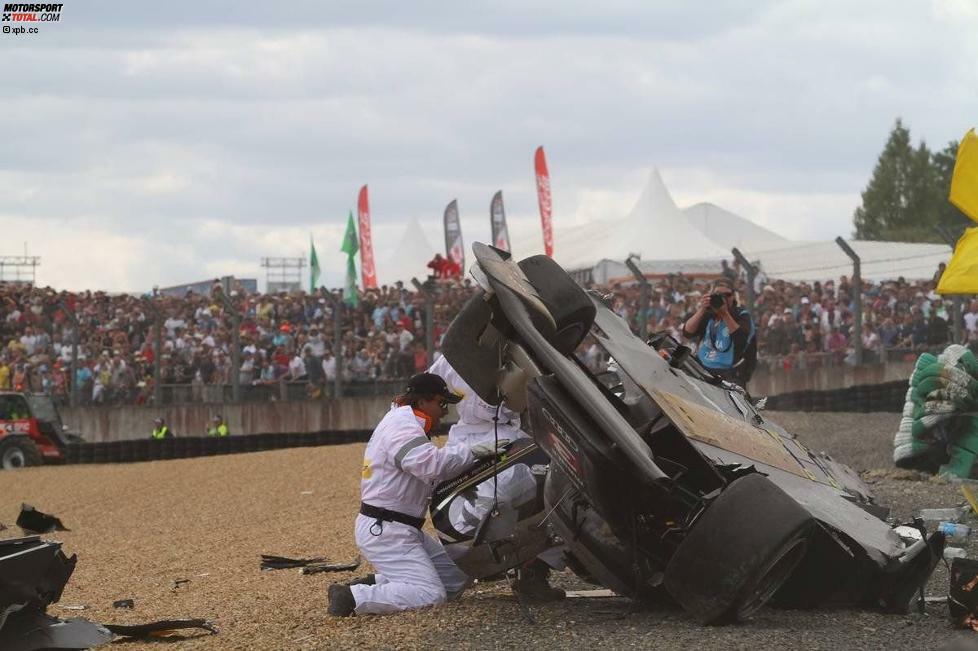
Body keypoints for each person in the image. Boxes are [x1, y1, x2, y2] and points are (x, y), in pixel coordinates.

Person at [328, 372, 487, 617]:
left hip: (398, 526)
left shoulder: (405, 422)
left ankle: (377, 583)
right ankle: (352, 597)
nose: (444, 412)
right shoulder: (402, 425)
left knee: (456, 578)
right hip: (386, 529)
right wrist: (473, 452)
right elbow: (429, 465)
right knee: (431, 594)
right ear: (423, 401)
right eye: (441, 403)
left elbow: (426, 475)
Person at [429, 355, 566, 602]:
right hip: (469, 440)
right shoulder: (453, 354)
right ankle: (486, 562)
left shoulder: (515, 351)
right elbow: (428, 386)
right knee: (474, 518)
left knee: (548, 496)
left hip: (512, 436)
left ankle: (533, 573)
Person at [681, 278, 757, 387]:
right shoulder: (708, 314)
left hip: (730, 373)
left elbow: (741, 340)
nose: (723, 298)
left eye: (727, 295)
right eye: (718, 295)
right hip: (703, 368)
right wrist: (702, 309)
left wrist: (725, 314)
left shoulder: (741, 315)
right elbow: (687, 332)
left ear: (734, 296)